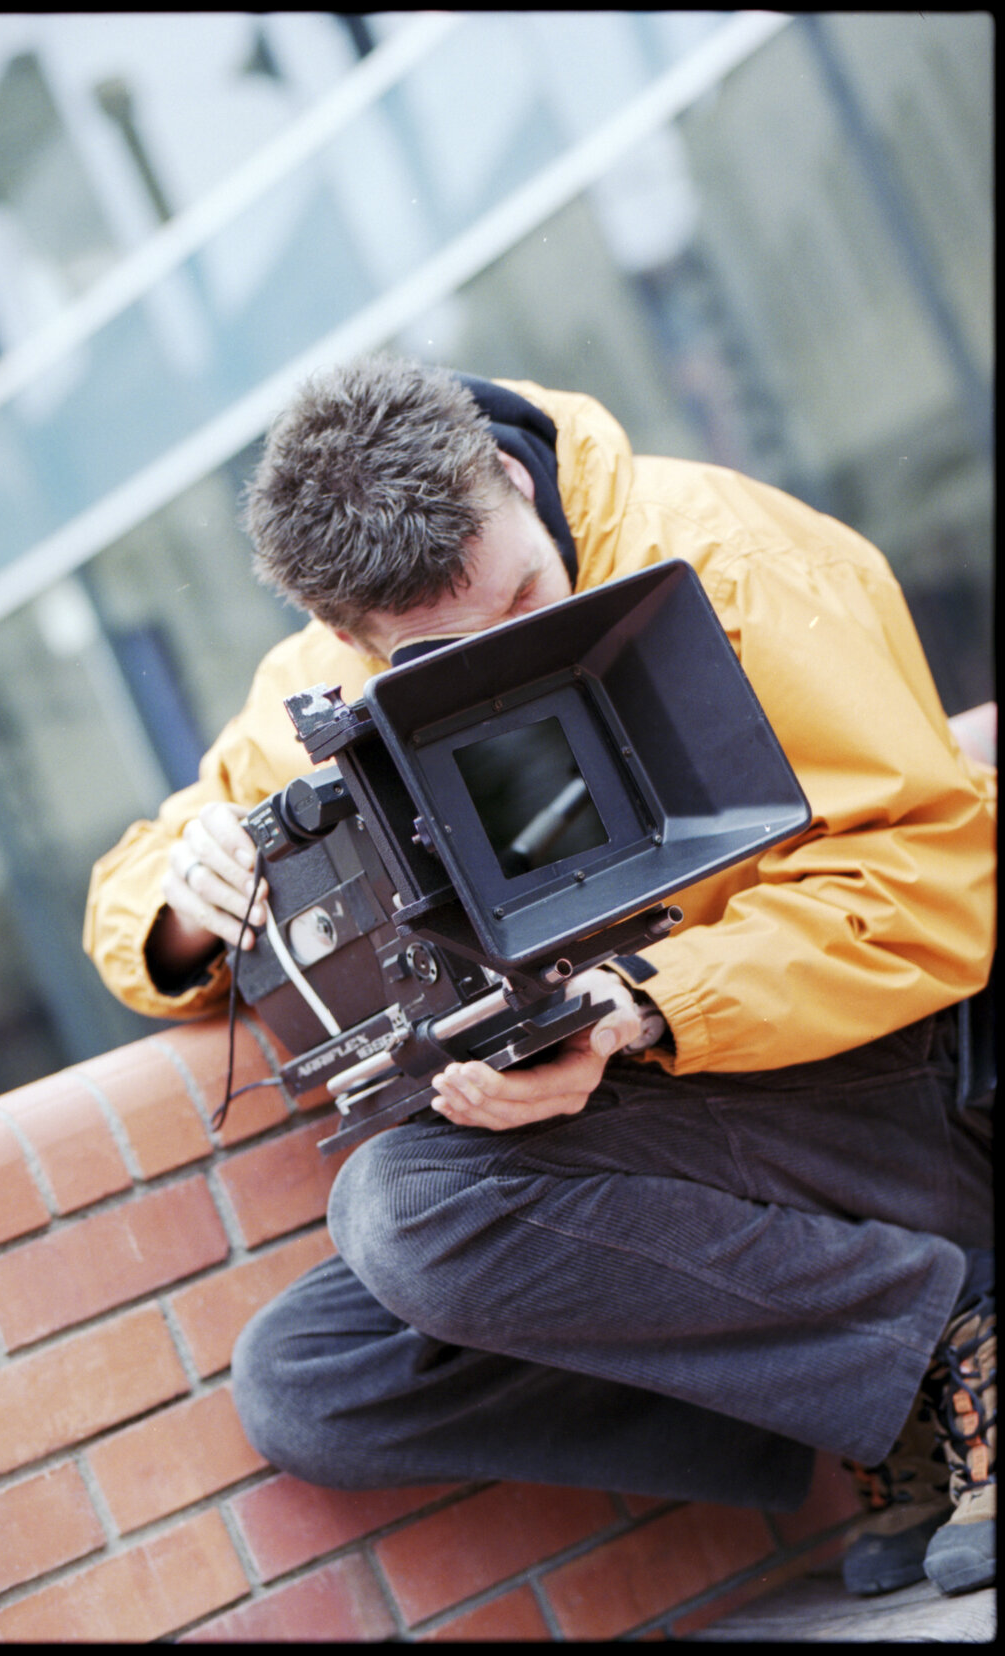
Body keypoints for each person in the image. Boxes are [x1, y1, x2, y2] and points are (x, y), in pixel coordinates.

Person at [84, 356, 995, 1599]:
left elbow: (931, 884)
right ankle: (885, 1368)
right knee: (311, 1384)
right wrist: (193, 899)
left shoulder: (732, 556)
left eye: (523, 593)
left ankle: (946, 1331)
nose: (511, 647)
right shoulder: (320, 682)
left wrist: (644, 1005)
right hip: (649, 1130)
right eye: (447, 652)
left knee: (399, 1207)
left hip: (875, 1074)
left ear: (510, 480)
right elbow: (133, 887)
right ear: (349, 638)